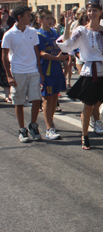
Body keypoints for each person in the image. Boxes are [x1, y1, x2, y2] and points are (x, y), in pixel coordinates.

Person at [57, 0, 103, 156]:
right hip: (90, 72)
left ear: (100, 12)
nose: (91, 13)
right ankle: (84, 135)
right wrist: (66, 26)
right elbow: (67, 45)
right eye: (89, 10)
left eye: (94, 10)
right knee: (88, 106)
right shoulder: (81, 30)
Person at [1, 5, 44, 143]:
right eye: (28, 15)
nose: (30, 17)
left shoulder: (33, 32)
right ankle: (22, 129)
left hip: (33, 71)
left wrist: (40, 71)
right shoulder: (9, 34)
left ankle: (33, 125)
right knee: (19, 101)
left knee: (36, 99)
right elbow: (4, 55)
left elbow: (36, 52)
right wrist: (9, 75)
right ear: (19, 17)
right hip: (18, 71)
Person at [37, 9, 68, 140]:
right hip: (47, 70)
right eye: (47, 18)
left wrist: (64, 61)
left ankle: (51, 121)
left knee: (55, 98)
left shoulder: (55, 32)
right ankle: (49, 128)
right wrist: (57, 58)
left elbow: (63, 45)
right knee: (47, 98)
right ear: (40, 20)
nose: (50, 20)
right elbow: (42, 53)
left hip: (56, 69)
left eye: (51, 18)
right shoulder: (39, 34)